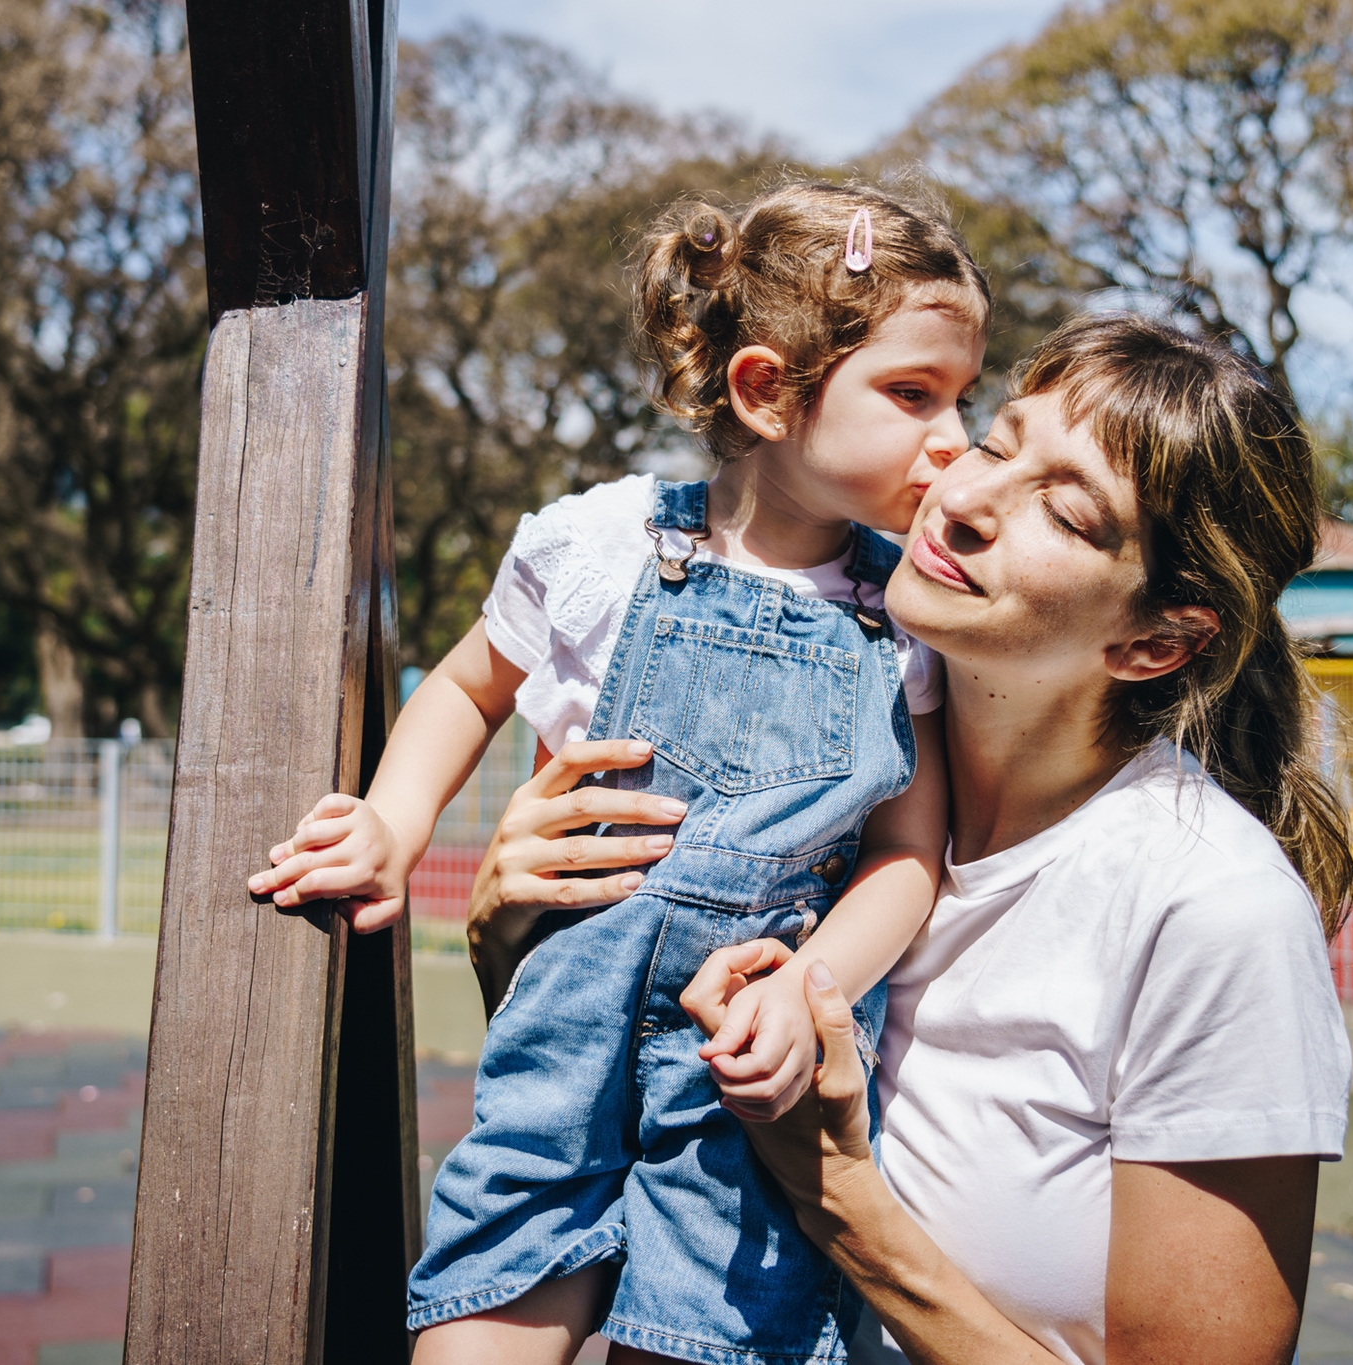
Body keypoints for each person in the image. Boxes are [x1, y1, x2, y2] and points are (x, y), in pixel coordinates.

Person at [468, 312, 1353, 1365]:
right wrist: (516, 940)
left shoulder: (1210, 909)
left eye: (1065, 514)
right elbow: (608, 1153)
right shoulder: (804, 805)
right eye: (995, 440)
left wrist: (840, 1192)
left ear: (1154, 640)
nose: (968, 498)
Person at [249, 180, 990, 1365]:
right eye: (913, 394)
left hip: (746, 1071)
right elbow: (465, 686)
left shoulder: (900, 610)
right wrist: (393, 822)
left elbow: (907, 854)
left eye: (960, 395)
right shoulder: (598, 543)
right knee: (479, 1325)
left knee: (701, 1337)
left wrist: (808, 993)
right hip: (563, 1035)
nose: (955, 437)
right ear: (764, 388)